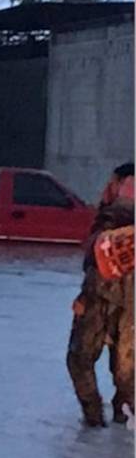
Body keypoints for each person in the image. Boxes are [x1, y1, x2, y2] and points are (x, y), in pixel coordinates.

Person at [68, 162, 134, 427]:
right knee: (127, 375)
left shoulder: (114, 215)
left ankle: (95, 420)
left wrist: (84, 298)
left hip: (103, 299)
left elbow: (99, 260)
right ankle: (122, 420)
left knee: (79, 359)